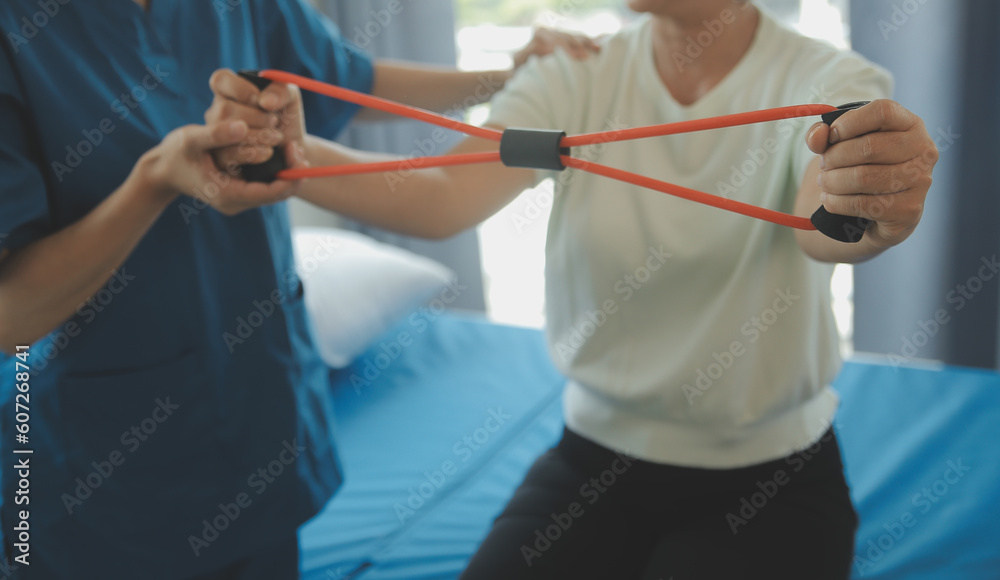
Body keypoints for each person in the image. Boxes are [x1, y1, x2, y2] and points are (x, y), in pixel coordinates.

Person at [205, 0, 938, 578]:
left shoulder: (831, 81)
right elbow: (442, 195)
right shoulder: (576, 74)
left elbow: (827, 228)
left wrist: (875, 213)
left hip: (771, 475)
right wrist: (290, 156)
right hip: (594, 459)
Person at [0, 0, 597, 577]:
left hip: (257, 425)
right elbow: (11, 318)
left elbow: (346, 82)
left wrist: (507, 78)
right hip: (93, 472)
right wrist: (154, 182)